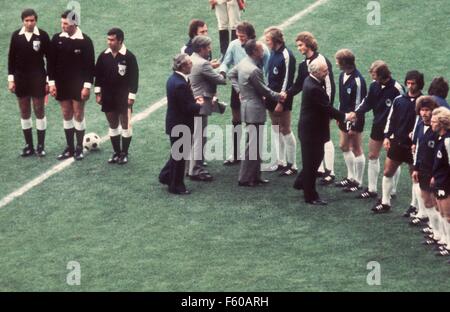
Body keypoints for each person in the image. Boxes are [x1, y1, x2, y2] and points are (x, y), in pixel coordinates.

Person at [293, 58, 354, 205]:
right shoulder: (314, 87)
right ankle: (310, 195)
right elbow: (327, 108)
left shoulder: (311, 81)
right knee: (312, 163)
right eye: (325, 71)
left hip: (311, 129)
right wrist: (346, 116)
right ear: (316, 72)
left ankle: (301, 182)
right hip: (311, 131)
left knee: (314, 160)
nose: (328, 72)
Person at [228, 40, 284, 186]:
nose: (263, 51)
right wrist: (279, 96)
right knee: (252, 146)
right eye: (260, 49)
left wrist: (239, 90)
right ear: (254, 52)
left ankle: (255, 176)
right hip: (255, 109)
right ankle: (245, 178)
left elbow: (231, 74)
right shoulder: (254, 70)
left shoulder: (243, 63)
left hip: (247, 107)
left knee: (255, 144)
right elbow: (264, 90)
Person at [285, 31, 336, 183]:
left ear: (308, 44)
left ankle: (330, 172)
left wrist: (329, 108)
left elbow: (330, 86)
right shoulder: (303, 65)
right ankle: (318, 169)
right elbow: (298, 85)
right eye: (298, 46)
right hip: (311, 111)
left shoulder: (322, 61)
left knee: (325, 138)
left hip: (323, 108)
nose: (299, 48)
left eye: (300, 45)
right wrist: (284, 96)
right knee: (315, 139)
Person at [371, 70, 424, 213]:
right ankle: (385, 202)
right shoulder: (399, 100)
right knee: (388, 171)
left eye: (413, 83)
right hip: (398, 143)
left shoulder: (423, 102)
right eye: (408, 83)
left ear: (419, 84)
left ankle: (414, 206)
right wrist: (387, 136)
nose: (410, 86)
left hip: (414, 146)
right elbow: (391, 119)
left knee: (415, 176)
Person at [351, 61, 404, 199]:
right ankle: (372, 189)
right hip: (378, 125)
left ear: (382, 74)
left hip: (393, 129)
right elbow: (367, 102)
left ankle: (392, 191)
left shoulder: (397, 88)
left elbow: (405, 108)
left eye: (374, 74)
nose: (371, 77)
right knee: (372, 155)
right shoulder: (374, 86)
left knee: (393, 159)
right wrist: (356, 113)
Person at [219, 21, 269, 166]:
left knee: (252, 121)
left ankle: (250, 155)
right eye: (238, 36)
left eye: (242, 36)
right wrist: (222, 71)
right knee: (236, 118)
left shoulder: (262, 49)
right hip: (238, 87)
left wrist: (265, 90)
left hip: (255, 87)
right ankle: (235, 153)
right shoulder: (234, 45)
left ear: (250, 35)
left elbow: (266, 70)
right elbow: (226, 61)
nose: (239, 39)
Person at [48, 10, 95, 161]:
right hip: (61, 84)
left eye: (66, 24)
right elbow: (50, 63)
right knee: (66, 113)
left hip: (79, 84)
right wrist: (51, 83)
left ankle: (79, 147)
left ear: (74, 23)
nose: (63, 26)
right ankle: (70, 148)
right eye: (62, 23)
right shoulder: (56, 39)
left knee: (78, 114)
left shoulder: (85, 41)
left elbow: (90, 66)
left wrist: (87, 86)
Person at [8, 9, 50, 157]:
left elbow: (49, 60)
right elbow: (11, 59)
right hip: (21, 79)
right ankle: (29, 146)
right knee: (24, 111)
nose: (29, 23)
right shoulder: (16, 36)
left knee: (39, 110)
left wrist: (48, 81)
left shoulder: (42, 36)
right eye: (26, 21)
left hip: (38, 78)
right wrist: (11, 80)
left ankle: (40, 146)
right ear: (23, 21)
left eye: (32, 20)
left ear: (36, 20)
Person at [159, 53, 203, 195]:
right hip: (181, 124)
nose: (192, 65)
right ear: (183, 66)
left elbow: (183, 102)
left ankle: (166, 175)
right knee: (180, 156)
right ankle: (176, 186)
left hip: (175, 122)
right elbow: (187, 108)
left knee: (177, 153)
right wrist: (200, 104)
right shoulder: (180, 84)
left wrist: (192, 100)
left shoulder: (174, 79)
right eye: (190, 63)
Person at [94, 28, 139, 165]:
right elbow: (98, 76)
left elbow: (134, 78)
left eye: (112, 40)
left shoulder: (129, 57)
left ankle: (124, 153)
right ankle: (116, 152)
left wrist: (131, 96)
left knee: (125, 124)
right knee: (112, 124)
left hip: (123, 96)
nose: (109, 42)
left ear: (120, 40)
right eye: (108, 39)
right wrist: (98, 92)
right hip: (108, 95)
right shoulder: (103, 56)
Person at [264, 27, 297, 176]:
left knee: (285, 128)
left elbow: (287, 81)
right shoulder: (273, 53)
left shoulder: (287, 55)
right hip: (271, 96)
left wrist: (281, 102)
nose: (266, 42)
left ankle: (293, 164)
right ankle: (280, 161)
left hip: (282, 98)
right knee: (276, 126)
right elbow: (270, 76)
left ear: (276, 40)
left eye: (268, 39)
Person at [334, 49, 367, 192]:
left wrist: (354, 126)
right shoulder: (342, 76)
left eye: (338, 61)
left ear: (344, 62)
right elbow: (342, 98)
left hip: (355, 120)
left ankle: (358, 182)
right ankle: (350, 177)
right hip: (344, 117)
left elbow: (359, 105)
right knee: (343, 146)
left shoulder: (358, 81)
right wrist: (339, 116)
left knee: (356, 148)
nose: (336, 63)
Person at [410, 96, 441, 244]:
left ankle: (442, 237)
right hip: (422, 170)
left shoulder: (437, 131)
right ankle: (435, 233)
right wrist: (416, 168)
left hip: (435, 173)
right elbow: (417, 149)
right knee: (427, 202)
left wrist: (436, 174)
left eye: (427, 110)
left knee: (438, 205)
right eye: (422, 110)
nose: (424, 113)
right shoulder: (420, 125)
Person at [429, 107, 450, 256]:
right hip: (440, 181)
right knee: (442, 213)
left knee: (448, 215)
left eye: (434, 121)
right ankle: (445, 241)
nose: (431, 124)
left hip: (446, 183)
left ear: (441, 124)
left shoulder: (448, 140)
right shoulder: (440, 138)